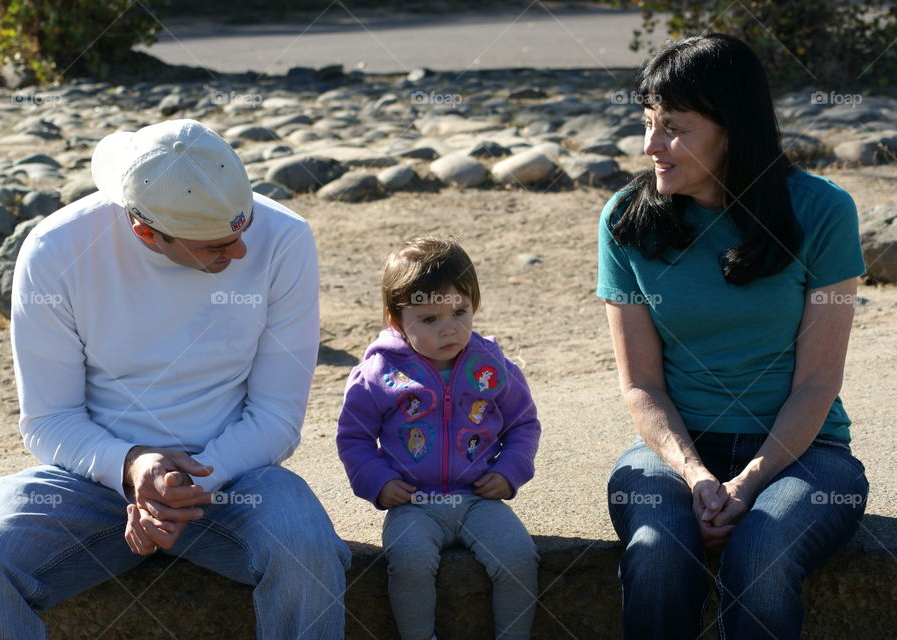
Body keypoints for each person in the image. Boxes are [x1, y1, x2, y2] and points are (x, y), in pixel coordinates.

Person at [0, 119, 351, 639]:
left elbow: (276, 417)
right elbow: (49, 421)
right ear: (145, 231)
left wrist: (182, 486)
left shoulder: (285, 238)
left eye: (241, 230)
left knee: (308, 552)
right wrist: (133, 466)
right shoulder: (54, 249)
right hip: (91, 480)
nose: (241, 252)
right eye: (216, 246)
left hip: (238, 474)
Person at [598, 34, 870, 639]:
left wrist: (746, 485)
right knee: (656, 550)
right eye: (647, 123)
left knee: (760, 553)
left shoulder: (823, 212)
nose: (651, 146)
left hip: (808, 456)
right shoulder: (623, 219)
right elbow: (640, 385)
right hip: (674, 452)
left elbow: (819, 381)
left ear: (732, 127)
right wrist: (697, 476)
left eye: (674, 126)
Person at [337, 238, 540, 640]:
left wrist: (509, 471)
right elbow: (354, 437)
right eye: (429, 319)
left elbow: (522, 424)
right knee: (408, 561)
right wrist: (377, 482)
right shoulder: (379, 373)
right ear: (397, 321)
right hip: (414, 503)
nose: (449, 328)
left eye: (460, 312)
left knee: (519, 558)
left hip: (479, 498)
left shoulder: (492, 364)